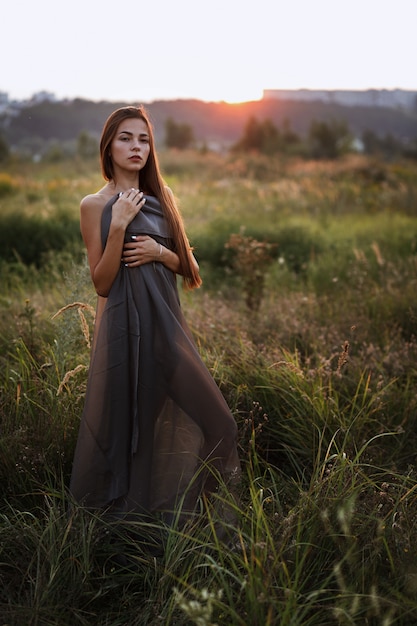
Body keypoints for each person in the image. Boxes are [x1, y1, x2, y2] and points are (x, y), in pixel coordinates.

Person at [69, 105, 240, 531]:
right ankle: (127, 540)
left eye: (144, 139)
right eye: (126, 138)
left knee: (221, 424)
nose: (136, 147)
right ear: (108, 146)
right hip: (125, 336)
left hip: (167, 336)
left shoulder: (162, 198)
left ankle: (200, 524)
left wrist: (161, 253)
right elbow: (102, 284)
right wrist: (118, 227)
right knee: (133, 447)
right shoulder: (95, 205)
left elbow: (192, 270)